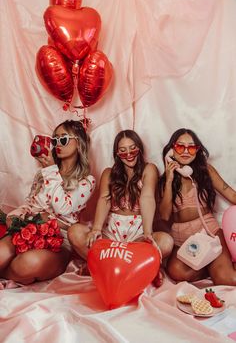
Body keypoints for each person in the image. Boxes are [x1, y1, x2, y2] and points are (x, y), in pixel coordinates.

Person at [68, 130, 174, 285]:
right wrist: (96, 229)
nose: (129, 154)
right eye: (123, 151)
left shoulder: (149, 169)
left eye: (133, 148)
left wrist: (147, 233)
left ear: (139, 148)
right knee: (74, 232)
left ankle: (104, 267)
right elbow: (104, 199)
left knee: (166, 242)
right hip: (110, 235)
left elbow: (147, 197)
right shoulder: (108, 173)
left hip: (138, 234)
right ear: (117, 153)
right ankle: (128, 268)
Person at [0, 119, 96, 284]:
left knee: (27, 263)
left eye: (63, 139)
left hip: (57, 241)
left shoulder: (87, 180)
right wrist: (15, 217)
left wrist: (51, 170)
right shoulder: (43, 173)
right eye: (54, 140)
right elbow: (30, 203)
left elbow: (63, 208)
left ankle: (9, 275)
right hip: (27, 230)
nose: (57, 144)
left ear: (79, 143)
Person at [158, 128, 236, 285]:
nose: (186, 151)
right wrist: (168, 180)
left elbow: (230, 193)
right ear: (172, 150)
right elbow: (165, 215)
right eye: (180, 146)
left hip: (208, 232)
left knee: (225, 279)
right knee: (176, 273)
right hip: (182, 239)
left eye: (191, 147)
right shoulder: (165, 180)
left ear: (197, 150)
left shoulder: (206, 171)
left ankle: (219, 267)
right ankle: (212, 266)